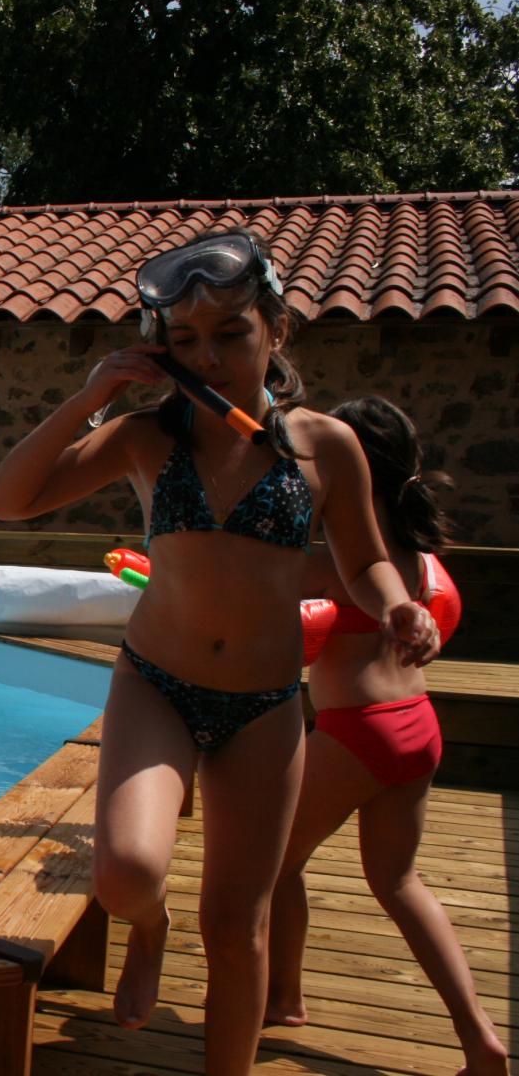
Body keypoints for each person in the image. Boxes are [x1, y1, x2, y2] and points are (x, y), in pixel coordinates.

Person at [0, 229, 440, 1075]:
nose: (211, 355)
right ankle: (145, 931)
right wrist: (92, 398)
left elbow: (366, 558)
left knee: (237, 930)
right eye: (184, 340)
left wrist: (398, 605)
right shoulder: (144, 438)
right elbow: (8, 501)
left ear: (277, 331)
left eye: (231, 333)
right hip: (155, 684)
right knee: (123, 875)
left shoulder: (321, 445)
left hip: (263, 706)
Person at [266, 397, 508, 1075]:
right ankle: (480, 1038)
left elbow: (239, 589)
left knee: (271, 864)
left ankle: (281, 996)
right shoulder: (427, 559)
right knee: (398, 881)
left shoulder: (330, 560)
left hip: (356, 732)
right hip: (417, 728)